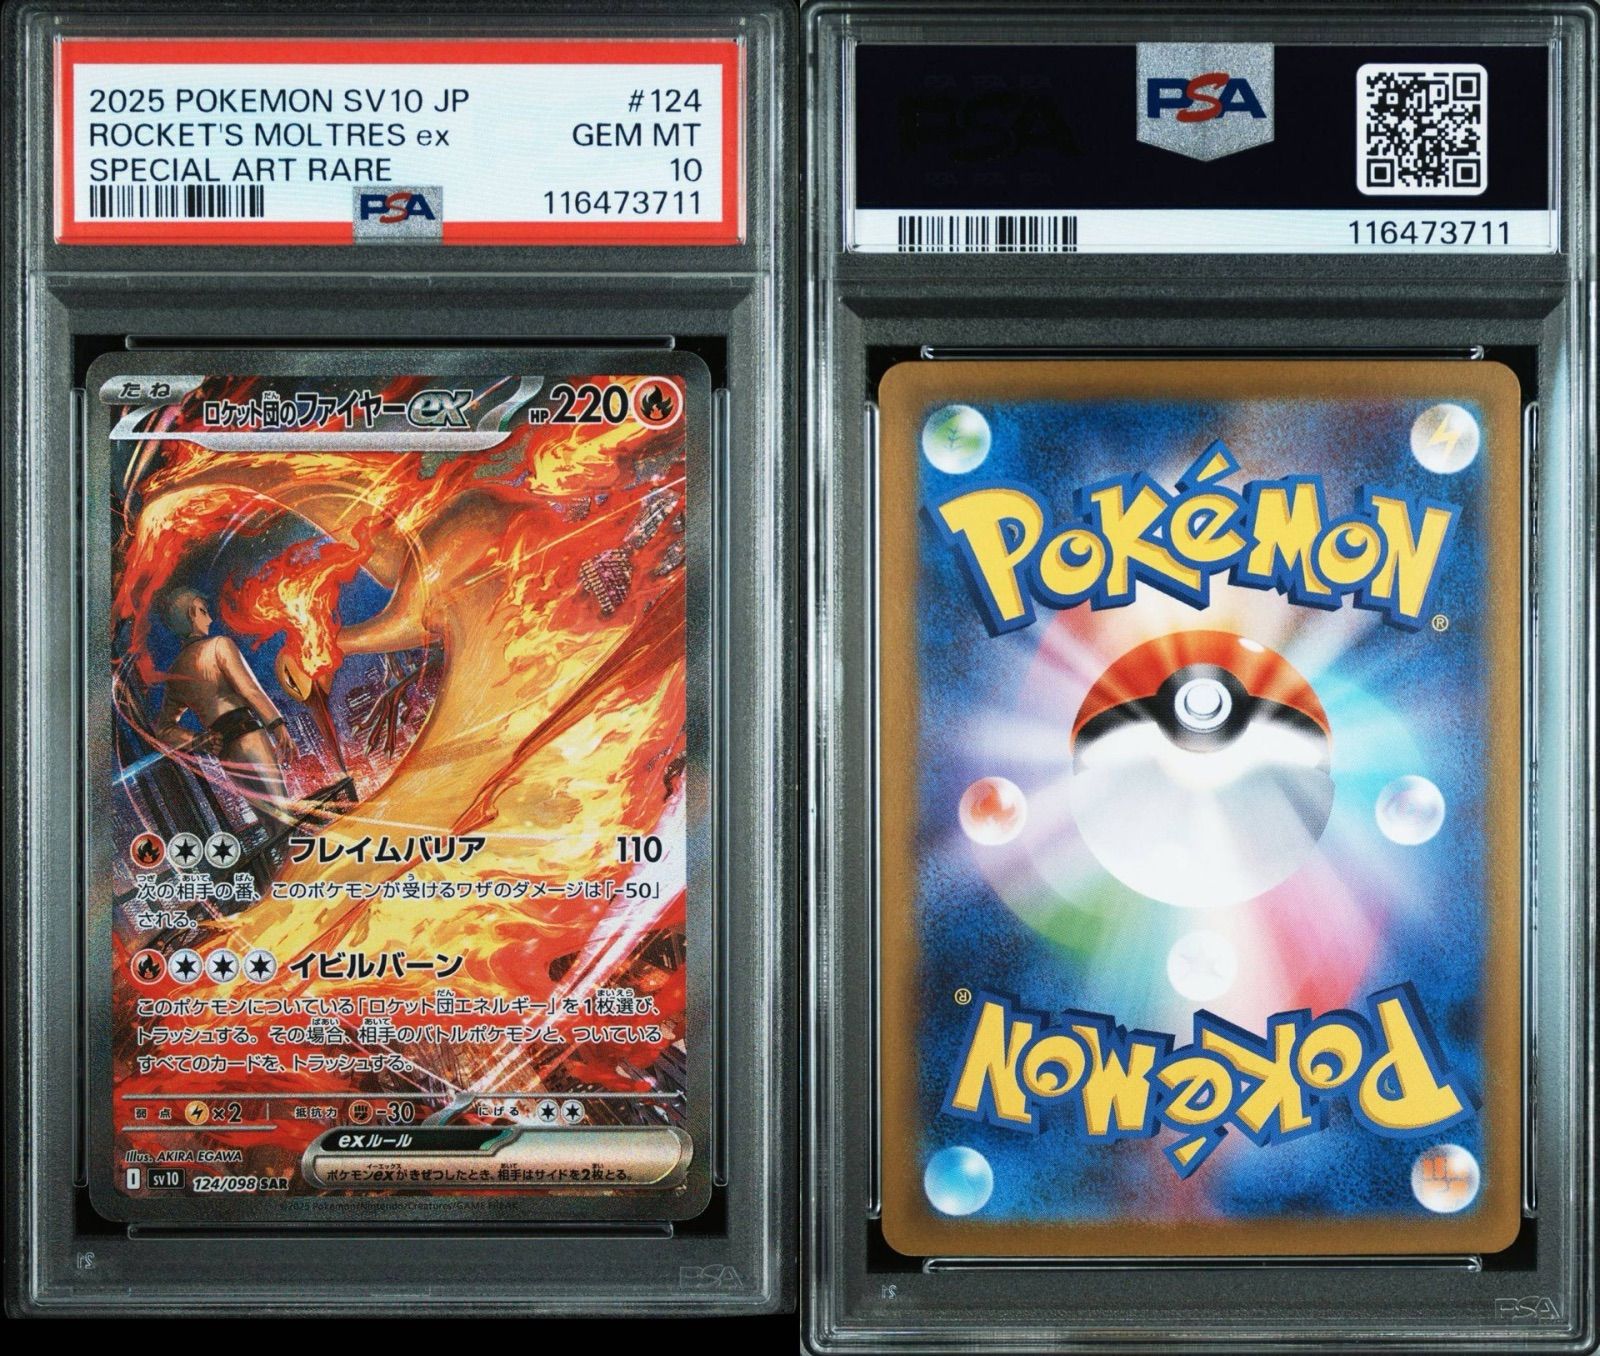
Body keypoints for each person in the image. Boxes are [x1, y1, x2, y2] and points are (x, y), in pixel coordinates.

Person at [152, 586, 296, 822]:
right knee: (284, 816)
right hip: (250, 737)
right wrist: (277, 725)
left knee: (270, 821)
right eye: (203, 611)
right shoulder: (220, 645)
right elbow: (250, 690)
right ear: (191, 615)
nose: (209, 619)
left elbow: (164, 729)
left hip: (226, 752)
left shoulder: (175, 673)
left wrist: (197, 740)